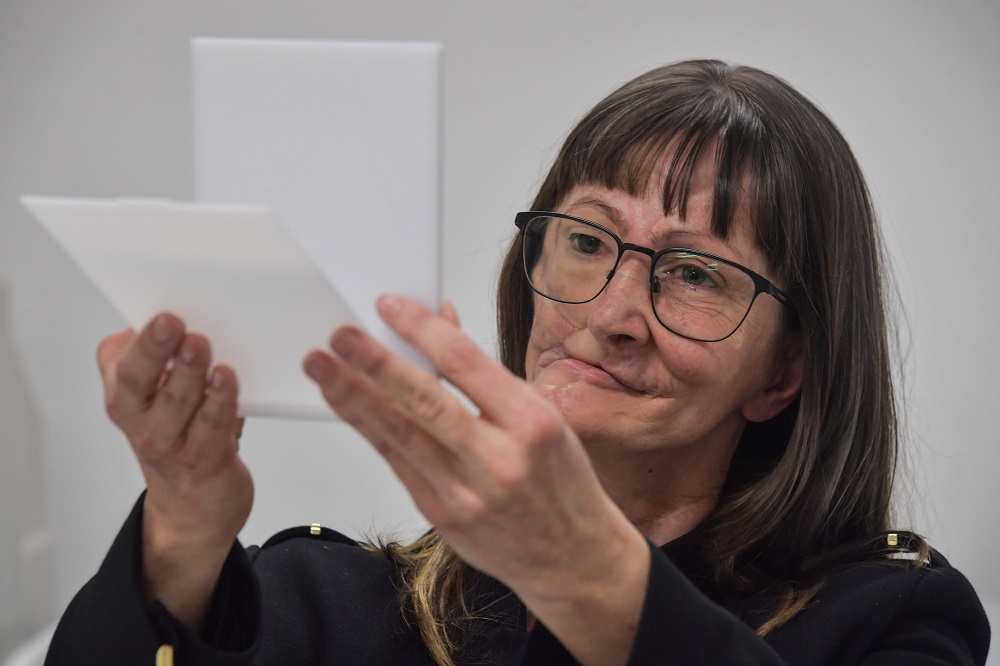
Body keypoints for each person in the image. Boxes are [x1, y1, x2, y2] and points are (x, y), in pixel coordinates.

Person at [45, 59, 989, 665]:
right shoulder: (336, 604)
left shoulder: (895, 619)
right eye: (585, 240)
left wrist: (592, 577)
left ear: (785, 374)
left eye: (694, 272)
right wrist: (182, 524)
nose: (615, 313)